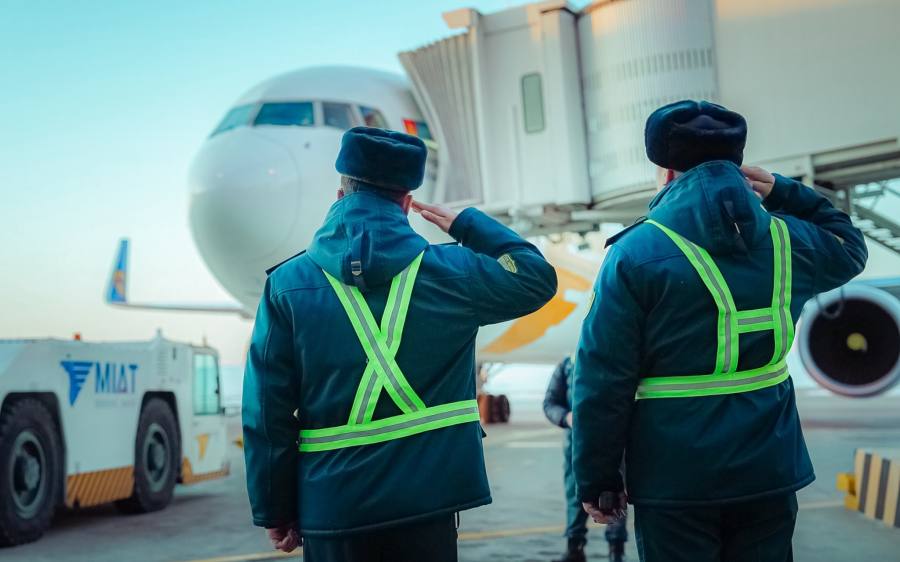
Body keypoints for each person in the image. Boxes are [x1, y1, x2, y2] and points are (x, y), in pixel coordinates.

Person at [242, 126, 558, 562]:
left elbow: (266, 413)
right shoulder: (454, 271)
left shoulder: (286, 284)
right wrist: (467, 225)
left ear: (340, 195)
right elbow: (535, 277)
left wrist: (274, 509)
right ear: (408, 204)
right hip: (430, 500)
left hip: (333, 507)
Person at [572, 100, 868, 562]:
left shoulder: (635, 253)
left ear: (666, 172)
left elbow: (602, 378)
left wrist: (598, 479)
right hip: (769, 469)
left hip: (675, 480)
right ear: (740, 166)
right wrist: (786, 192)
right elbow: (849, 245)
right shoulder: (789, 240)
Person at [544, 355, 627, 562]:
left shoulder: (614, 356)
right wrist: (566, 417)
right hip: (576, 443)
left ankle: (616, 551)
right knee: (575, 495)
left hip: (614, 439)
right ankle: (574, 548)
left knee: (614, 493)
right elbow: (550, 403)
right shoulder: (567, 364)